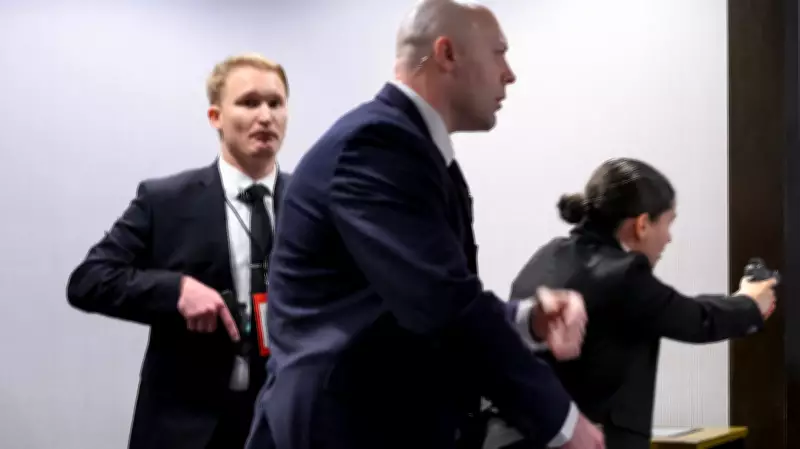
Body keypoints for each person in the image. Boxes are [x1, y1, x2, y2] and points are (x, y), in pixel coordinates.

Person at [245, 2, 604, 449]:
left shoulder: (409, 147)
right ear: (447, 54)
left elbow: (418, 298)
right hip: (346, 427)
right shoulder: (375, 146)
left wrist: (528, 320)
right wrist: (562, 423)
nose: (509, 74)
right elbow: (443, 303)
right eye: (498, 53)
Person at [66, 53, 292, 449]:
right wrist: (176, 291)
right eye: (249, 102)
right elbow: (88, 280)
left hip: (286, 423)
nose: (265, 116)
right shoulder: (166, 200)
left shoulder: (312, 202)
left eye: (275, 103)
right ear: (215, 117)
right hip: (188, 427)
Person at [501, 157, 777, 449]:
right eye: (668, 223)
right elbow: (694, 319)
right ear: (642, 225)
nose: (669, 238)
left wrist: (740, 299)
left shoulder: (547, 256)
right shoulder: (623, 273)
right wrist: (750, 304)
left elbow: (666, 305)